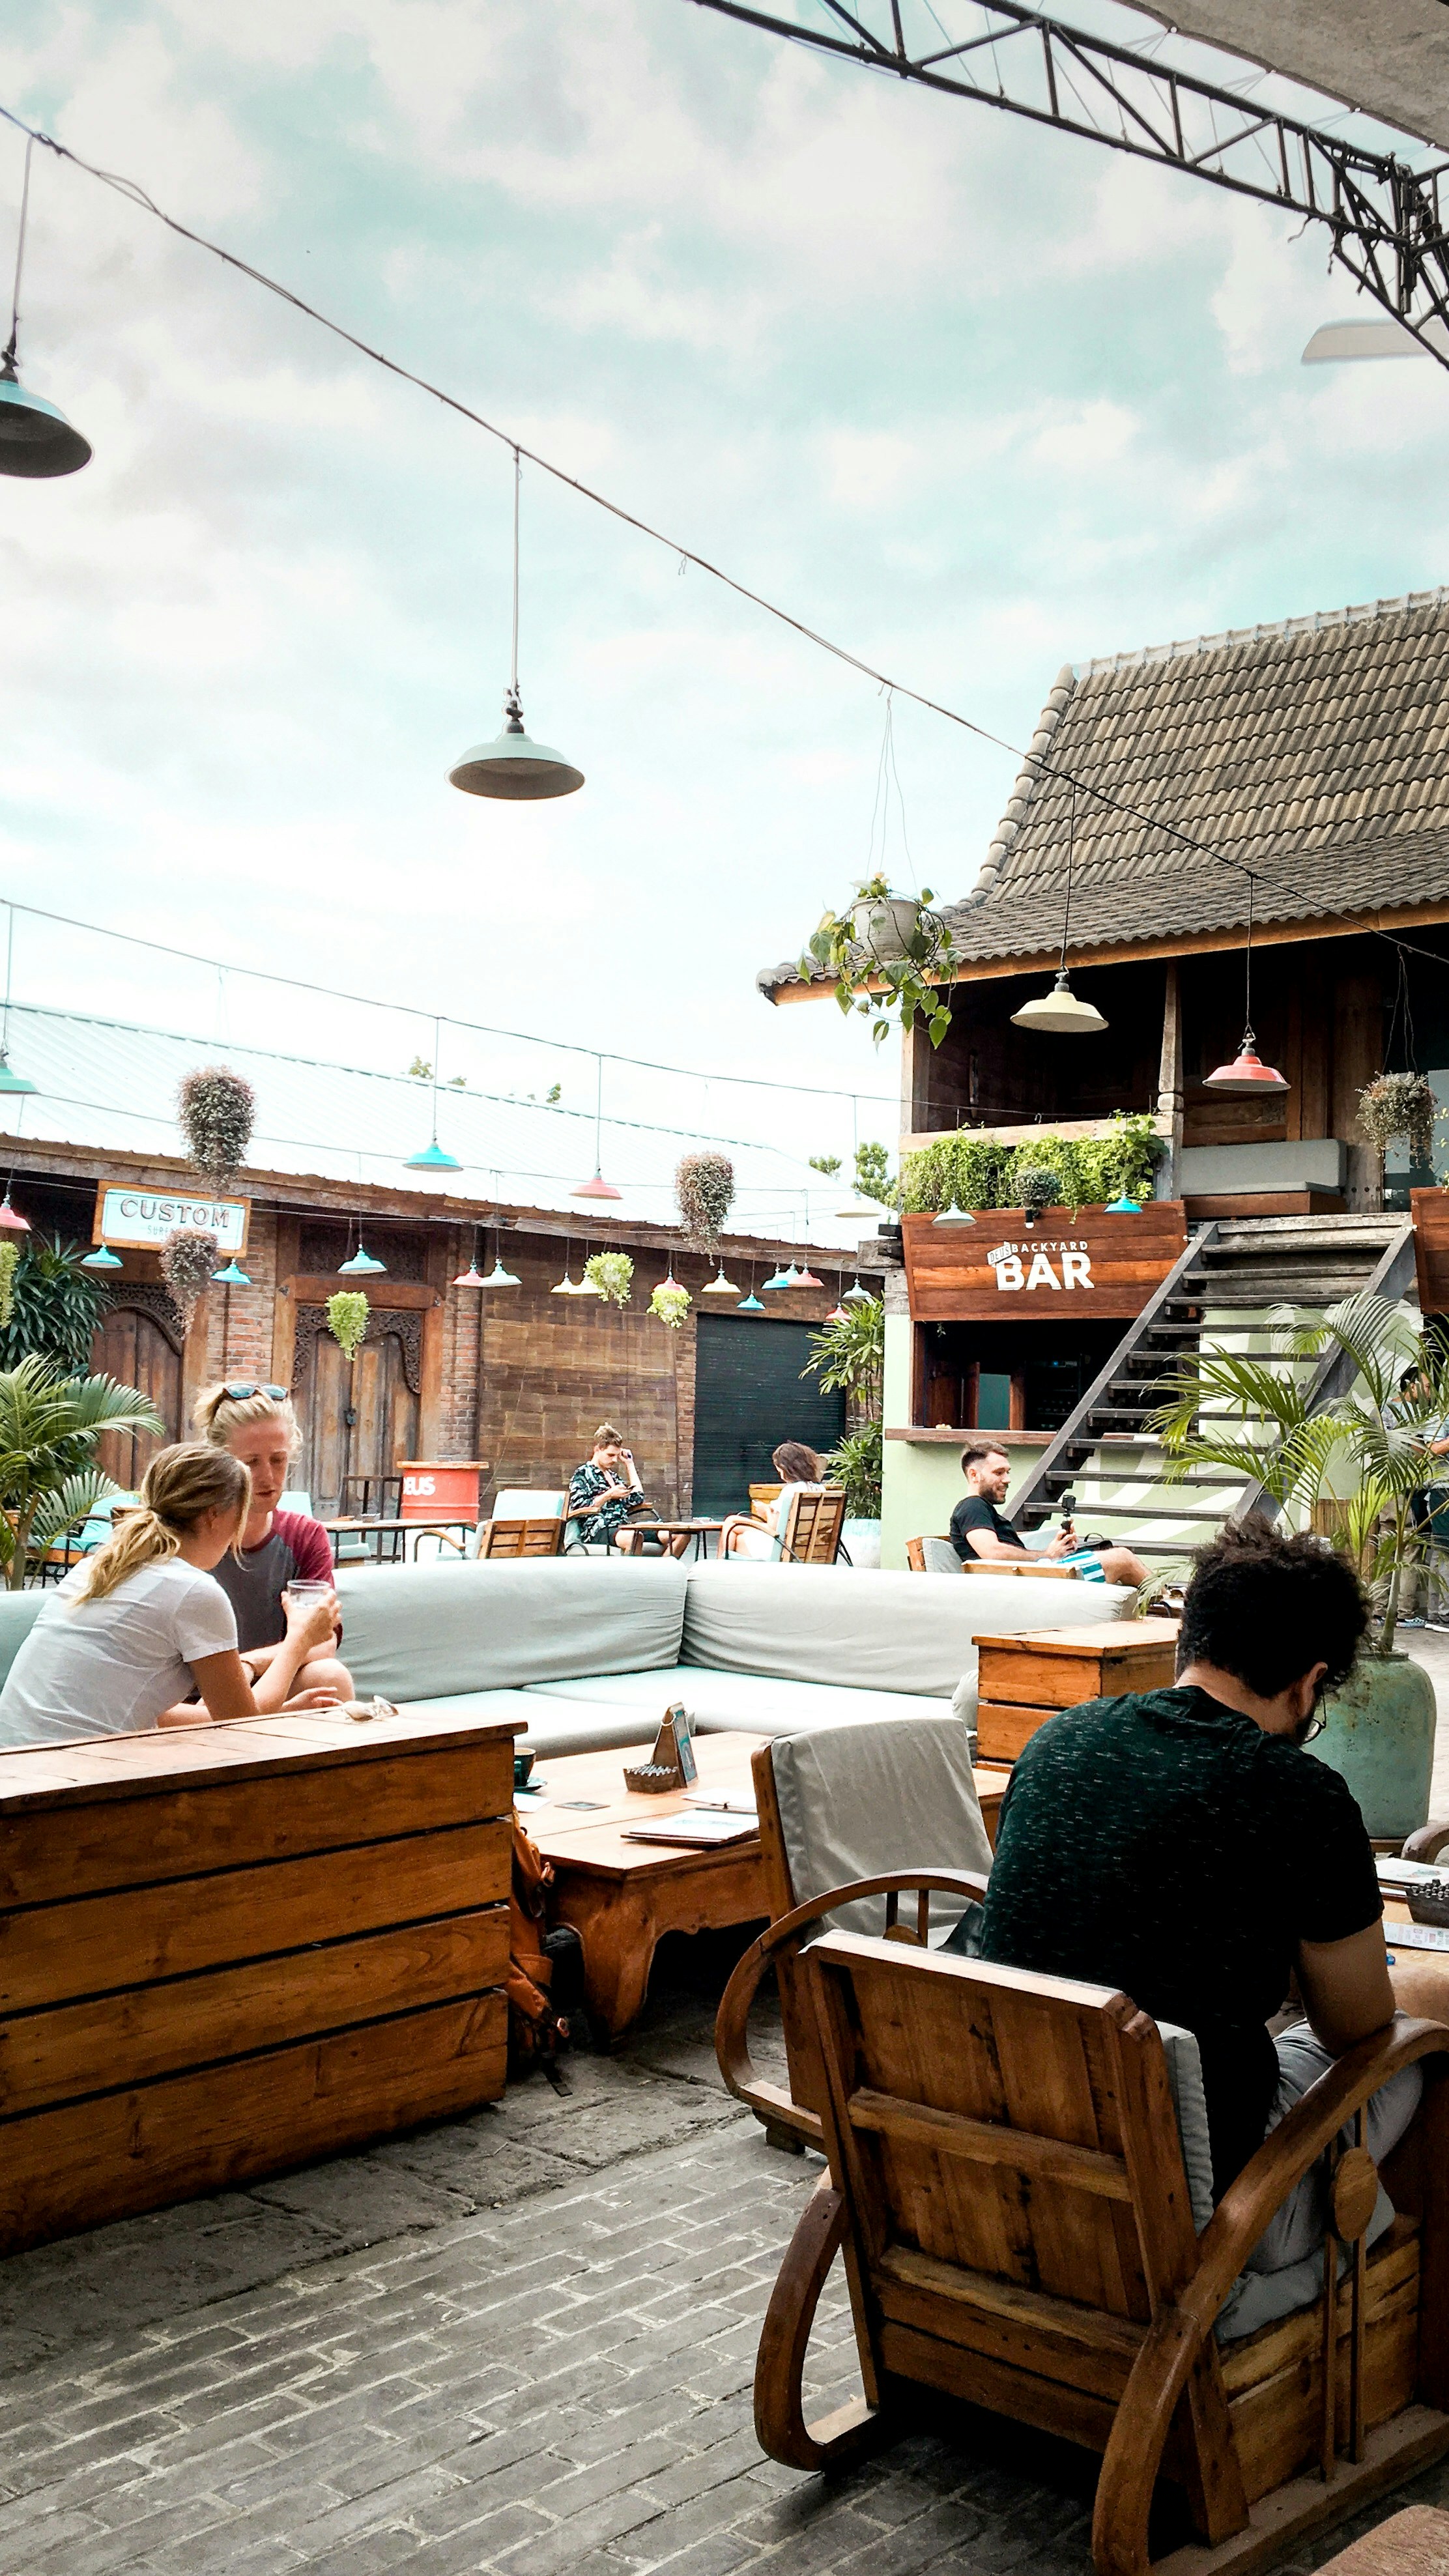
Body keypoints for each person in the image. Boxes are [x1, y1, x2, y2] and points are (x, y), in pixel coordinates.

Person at [974, 1519, 1426, 2263]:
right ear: (1310, 1682)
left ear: (1189, 1639)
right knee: (1415, 2047)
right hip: (1197, 2198)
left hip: (1022, 2139)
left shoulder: (1057, 1742)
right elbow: (1355, 2030)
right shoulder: (1299, 1796)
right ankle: (1389, 2306)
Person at [0, 1445, 344, 1750]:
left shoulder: (97, 1568)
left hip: (18, 1764)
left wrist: (277, 1712)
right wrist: (299, 1638)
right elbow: (241, 1726)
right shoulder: (194, 1592)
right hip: (71, 1782)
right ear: (214, 1516)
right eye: (240, 1514)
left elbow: (154, 1712)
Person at [194, 1382, 353, 1700]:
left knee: (331, 1676)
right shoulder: (193, 1534)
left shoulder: (304, 1536)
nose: (267, 1477)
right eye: (251, 1463)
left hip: (270, 1679)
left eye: (278, 1460)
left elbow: (323, 1640)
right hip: (190, 1690)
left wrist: (250, 1664)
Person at [949, 1439, 1147, 1587]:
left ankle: (1163, 1603)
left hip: (1030, 1577)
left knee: (1116, 1561)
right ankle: (1171, 1607)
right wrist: (1048, 1555)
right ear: (974, 1475)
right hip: (1030, 1583)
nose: (1007, 1479)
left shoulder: (980, 1510)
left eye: (1008, 1472)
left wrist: (1056, 1548)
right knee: (1122, 1558)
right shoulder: (972, 1506)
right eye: (999, 1473)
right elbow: (992, 1552)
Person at [567, 1424, 663, 1552]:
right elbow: (579, 1507)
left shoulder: (613, 1476)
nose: (615, 1460)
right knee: (635, 1537)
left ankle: (661, 1570)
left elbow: (637, 1498)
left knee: (676, 1535)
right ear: (597, 1450)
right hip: (599, 1529)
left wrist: (630, 1464)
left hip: (623, 1527)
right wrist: (609, 1495)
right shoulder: (583, 1474)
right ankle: (632, 1572)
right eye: (610, 1455)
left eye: (617, 1456)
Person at [725, 1442, 825, 1560]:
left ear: (785, 1468)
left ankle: (718, 1567)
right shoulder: (820, 1489)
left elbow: (774, 1528)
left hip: (785, 1549)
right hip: (807, 1544)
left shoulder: (790, 1490)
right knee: (737, 1532)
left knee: (731, 1522)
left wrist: (766, 1510)